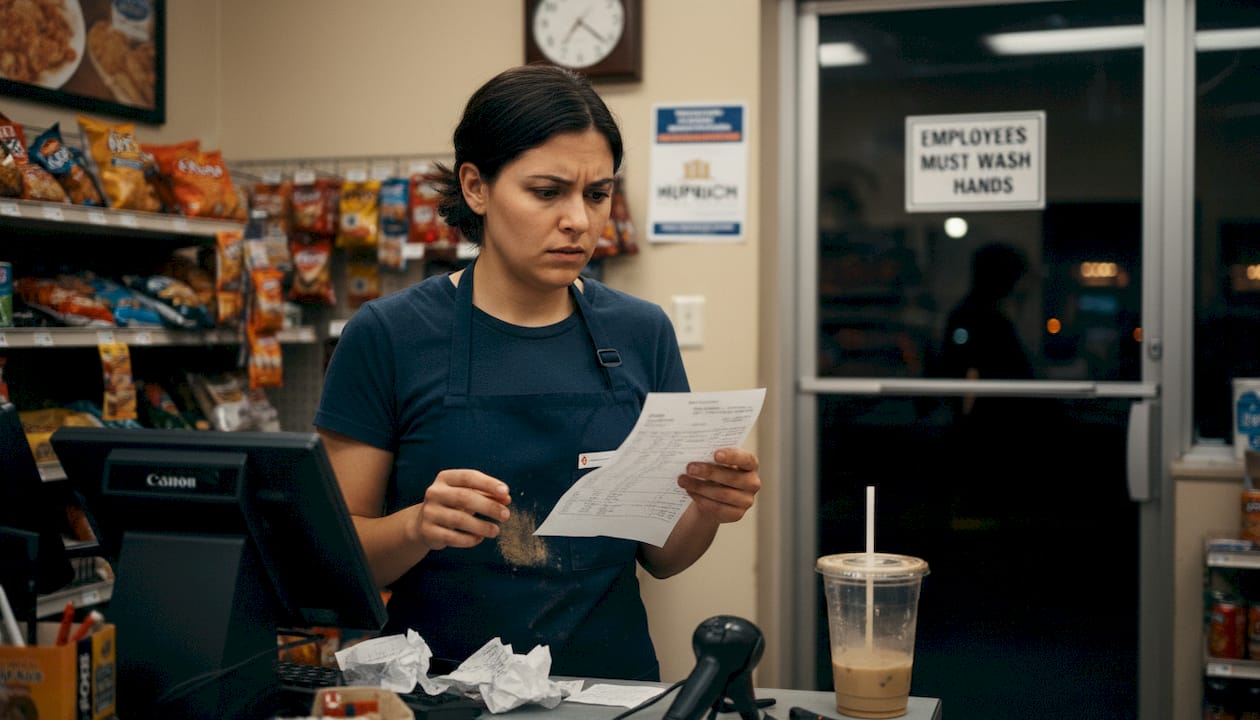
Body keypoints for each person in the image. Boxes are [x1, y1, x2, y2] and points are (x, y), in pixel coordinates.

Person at [313, 64, 762, 682]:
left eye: (597, 194)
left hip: (609, 685)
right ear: (476, 187)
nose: (578, 219)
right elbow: (336, 559)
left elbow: (661, 556)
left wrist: (708, 508)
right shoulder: (388, 336)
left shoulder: (642, 332)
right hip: (442, 690)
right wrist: (418, 526)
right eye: (547, 192)